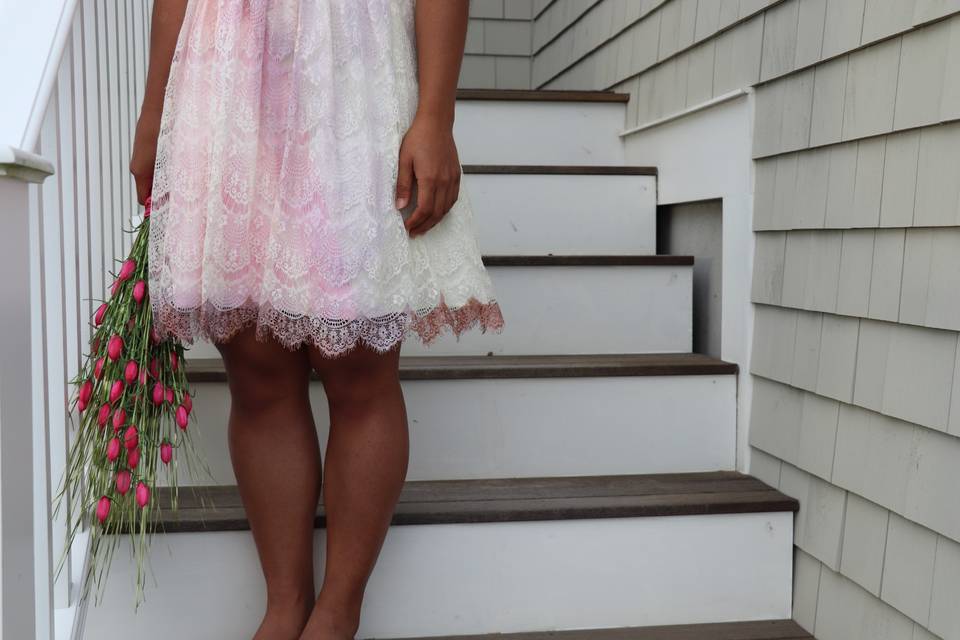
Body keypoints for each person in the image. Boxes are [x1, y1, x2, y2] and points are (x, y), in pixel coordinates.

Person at [130, 2, 504, 638]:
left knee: (356, 360)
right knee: (255, 366)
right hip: (224, 74)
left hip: (349, 70)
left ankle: (338, 610)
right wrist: (154, 112)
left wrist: (435, 116)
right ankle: (285, 603)